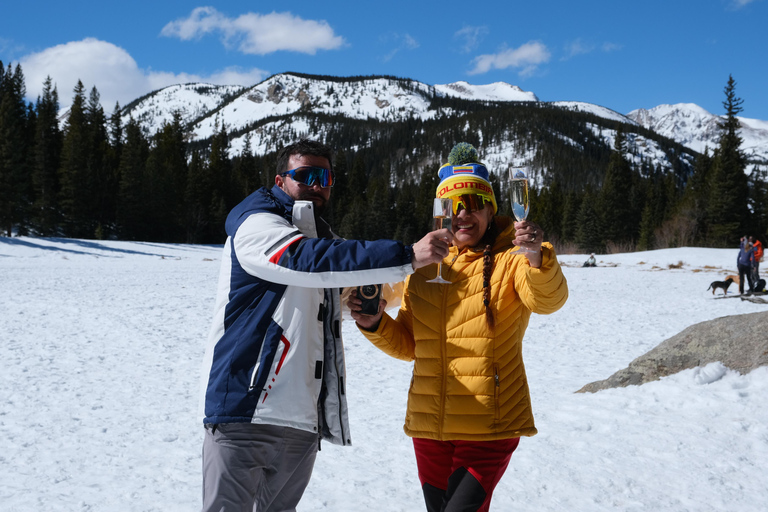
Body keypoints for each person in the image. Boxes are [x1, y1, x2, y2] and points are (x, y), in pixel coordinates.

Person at [199, 139, 451, 512]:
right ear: (280, 180)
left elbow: (337, 283)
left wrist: (373, 302)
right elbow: (304, 261)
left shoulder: (322, 238)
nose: (317, 185)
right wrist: (406, 256)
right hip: (246, 410)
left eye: (325, 177)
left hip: (301, 420)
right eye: (305, 175)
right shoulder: (257, 223)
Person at [348, 143, 569, 512]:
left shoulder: (513, 259)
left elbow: (548, 301)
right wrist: (374, 324)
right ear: (442, 212)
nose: (464, 215)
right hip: (430, 424)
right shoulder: (422, 268)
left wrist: (537, 259)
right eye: (454, 206)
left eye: (474, 204)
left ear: (490, 208)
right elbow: (410, 346)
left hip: (490, 422)